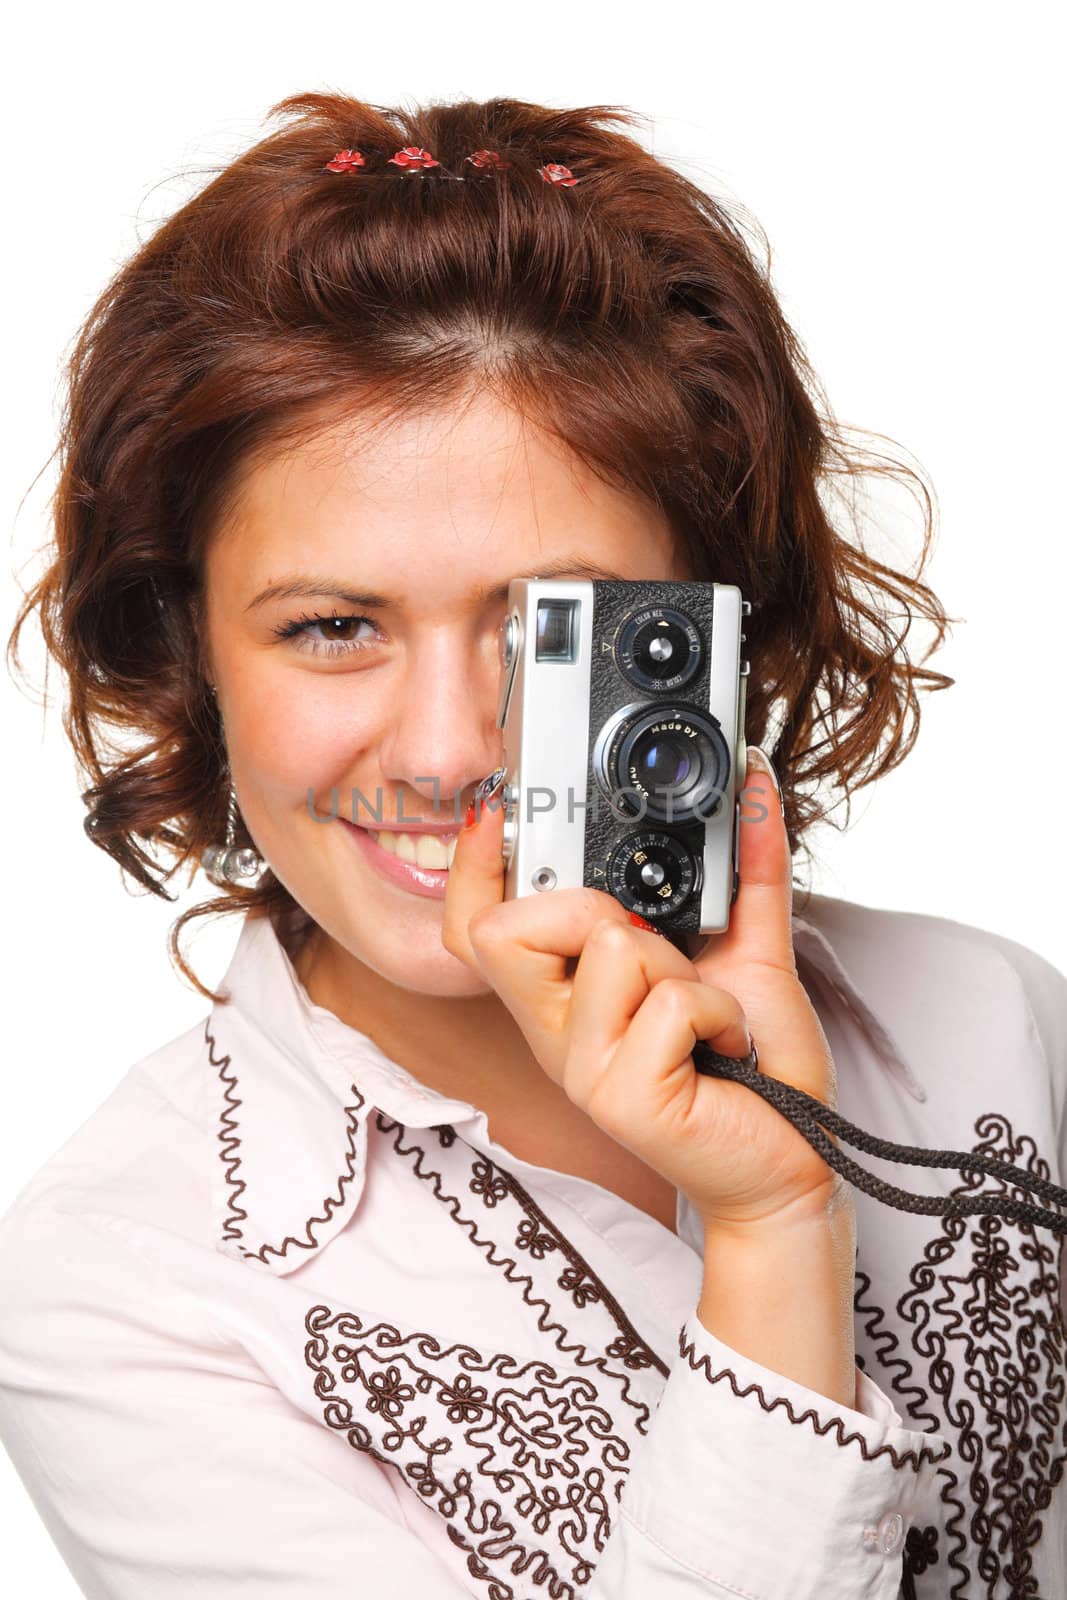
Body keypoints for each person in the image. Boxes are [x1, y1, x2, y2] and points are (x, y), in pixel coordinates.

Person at [0, 90, 1063, 1600]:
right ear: (194, 661)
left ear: (719, 631)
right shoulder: (130, 1277)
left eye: (545, 631)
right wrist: (773, 1233)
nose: (444, 750)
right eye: (332, 627)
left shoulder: (993, 1028)